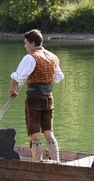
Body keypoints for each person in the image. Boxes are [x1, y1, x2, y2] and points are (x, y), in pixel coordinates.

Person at [8, 29, 64, 163]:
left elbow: (18, 77)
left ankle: (37, 163)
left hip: (34, 99)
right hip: (48, 98)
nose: (25, 46)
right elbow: (58, 78)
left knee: (35, 134)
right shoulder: (52, 57)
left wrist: (11, 89)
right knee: (48, 132)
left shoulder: (30, 57)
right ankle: (56, 161)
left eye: (26, 43)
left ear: (32, 43)